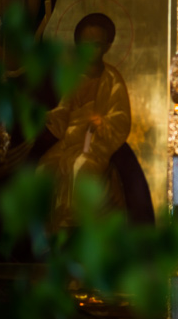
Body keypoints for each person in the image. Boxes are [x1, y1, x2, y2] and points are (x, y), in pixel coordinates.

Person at [38, 13, 131, 230]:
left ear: (107, 46)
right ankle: (46, 231)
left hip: (96, 143)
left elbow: (121, 117)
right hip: (70, 141)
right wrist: (49, 117)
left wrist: (102, 122)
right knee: (45, 167)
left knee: (78, 166)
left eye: (96, 45)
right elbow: (64, 110)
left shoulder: (112, 79)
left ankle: (72, 225)